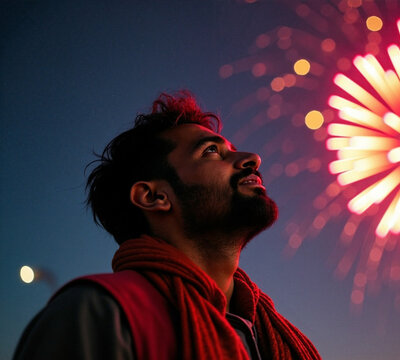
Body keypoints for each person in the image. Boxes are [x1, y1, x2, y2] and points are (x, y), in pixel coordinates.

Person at [13, 91, 321, 360]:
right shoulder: (98, 314)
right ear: (153, 196)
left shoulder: (273, 338)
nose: (252, 158)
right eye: (212, 151)